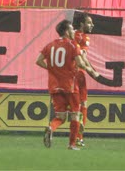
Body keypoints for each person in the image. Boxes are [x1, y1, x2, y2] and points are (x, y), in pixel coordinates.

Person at [35, 20, 98, 151]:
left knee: (60, 116)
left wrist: (52, 69)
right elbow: (80, 63)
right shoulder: (72, 44)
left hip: (54, 86)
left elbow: (38, 61)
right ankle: (72, 144)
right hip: (70, 85)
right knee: (75, 114)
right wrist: (91, 70)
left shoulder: (50, 45)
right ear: (65, 31)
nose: (73, 32)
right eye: (70, 30)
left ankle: (51, 127)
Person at [72, 13, 96, 146]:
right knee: (82, 106)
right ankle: (78, 137)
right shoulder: (81, 37)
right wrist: (92, 71)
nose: (92, 25)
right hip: (77, 74)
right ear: (81, 24)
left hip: (72, 74)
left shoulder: (77, 36)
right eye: (89, 22)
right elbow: (82, 57)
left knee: (77, 107)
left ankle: (78, 137)